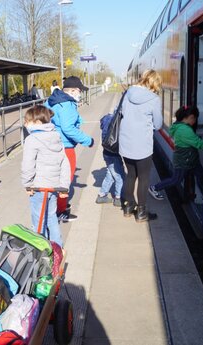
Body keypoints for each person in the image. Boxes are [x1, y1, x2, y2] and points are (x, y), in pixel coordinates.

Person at [45, 76, 94, 221]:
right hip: (65, 147)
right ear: (72, 90)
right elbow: (68, 128)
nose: (80, 94)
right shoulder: (67, 104)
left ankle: (55, 206)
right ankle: (60, 211)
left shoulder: (53, 100)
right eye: (79, 91)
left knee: (56, 177)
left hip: (52, 144)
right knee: (65, 179)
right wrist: (87, 140)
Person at [21, 105, 70, 247]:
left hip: (38, 187)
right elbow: (64, 163)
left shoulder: (32, 139)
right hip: (53, 187)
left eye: (27, 121)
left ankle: (39, 249)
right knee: (51, 218)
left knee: (38, 220)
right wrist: (64, 186)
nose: (25, 124)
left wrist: (27, 184)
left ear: (37, 123)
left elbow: (28, 165)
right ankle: (57, 248)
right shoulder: (56, 136)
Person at [119, 69, 163, 222]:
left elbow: (122, 113)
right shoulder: (154, 99)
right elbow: (158, 125)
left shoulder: (128, 92)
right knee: (144, 178)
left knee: (130, 175)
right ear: (154, 83)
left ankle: (129, 207)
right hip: (142, 145)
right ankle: (142, 213)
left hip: (125, 142)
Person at [149, 105, 203, 201]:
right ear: (191, 117)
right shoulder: (185, 130)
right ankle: (154, 188)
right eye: (195, 119)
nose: (195, 122)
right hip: (183, 161)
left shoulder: (179, 125)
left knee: (200, 175)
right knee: (176, 180)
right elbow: (199, 144)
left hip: (190, 160)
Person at [96, 110, 125, 207]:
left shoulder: (106, 119)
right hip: (114, 153)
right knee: (120, 176)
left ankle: (102, 195)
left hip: (106, 151)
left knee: (110, 175)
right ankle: (118, 198)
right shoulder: (117, 120)